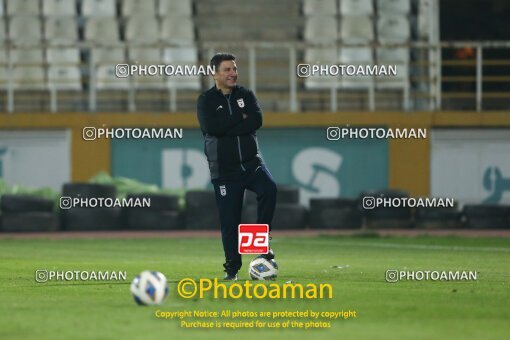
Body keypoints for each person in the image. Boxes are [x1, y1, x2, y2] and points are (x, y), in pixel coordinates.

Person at [197, 53, 277, 280]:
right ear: (215, 73)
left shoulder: (246, 94)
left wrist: (229, 127)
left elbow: (256, 121)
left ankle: (261, 246)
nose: (233, 73)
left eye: (234, 69)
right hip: (224, 170)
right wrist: (240, 120)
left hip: (252, 163)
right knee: (230, 220)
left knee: (269, 189)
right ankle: (232, 268)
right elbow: (212, 127)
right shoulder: (206, 101)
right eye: (227, 70)